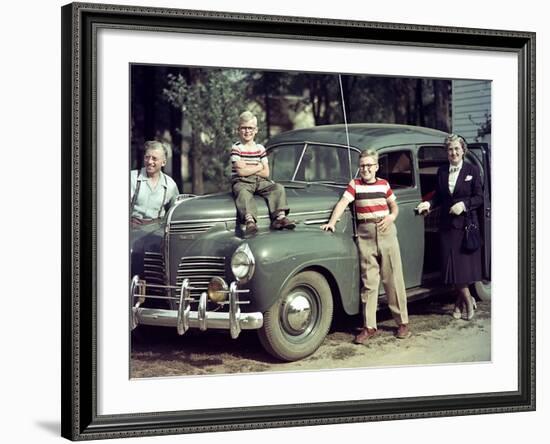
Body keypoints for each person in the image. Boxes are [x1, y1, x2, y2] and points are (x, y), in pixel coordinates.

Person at [321, 149, 410, 343]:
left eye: (369, 165)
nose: (365, 169)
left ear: (376, 167)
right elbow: (342, 203)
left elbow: (394, 206)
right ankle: (369, 326)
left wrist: (391, 217)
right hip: (365, 235)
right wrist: (332, 222)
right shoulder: (355, 185)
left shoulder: (384, 184)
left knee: (393, 279)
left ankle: (402, 323)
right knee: (369, 283)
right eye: (362, 166)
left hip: (386, 232)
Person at [416, 134, 483, 320]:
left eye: (456, 149)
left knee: (462, 268)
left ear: (463, 150)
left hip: (466, 226)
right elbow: (439, 196)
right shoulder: (442, 171)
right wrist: (428, 204)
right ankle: (468, 300)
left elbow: (479, 197)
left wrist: (463, 205)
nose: (453, 152)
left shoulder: (472, 170)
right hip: (446, 226)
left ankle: (461, 304)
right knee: (451, 268)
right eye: (450, 149)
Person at [230, 111, 295, 236]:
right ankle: (250, 221)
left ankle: (279, 217)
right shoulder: (236, 148)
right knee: (243, 193)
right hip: (242, 181)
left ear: (256, 130)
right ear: (238, 130)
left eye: (250, 128)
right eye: (243, 128)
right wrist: (258, 166)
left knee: (278, 188)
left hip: (260, 181)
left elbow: (266, 173)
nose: (247, 131)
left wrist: (249, 166)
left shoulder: (260, 148)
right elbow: (241, 172)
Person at [130, 140, 179, 225]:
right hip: (131, 230)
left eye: (154, 158)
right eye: (147, 157)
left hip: (157, 231)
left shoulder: (170, 185)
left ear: (163, 162)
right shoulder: (132, 178)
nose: (149, 162)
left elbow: (175, 213)